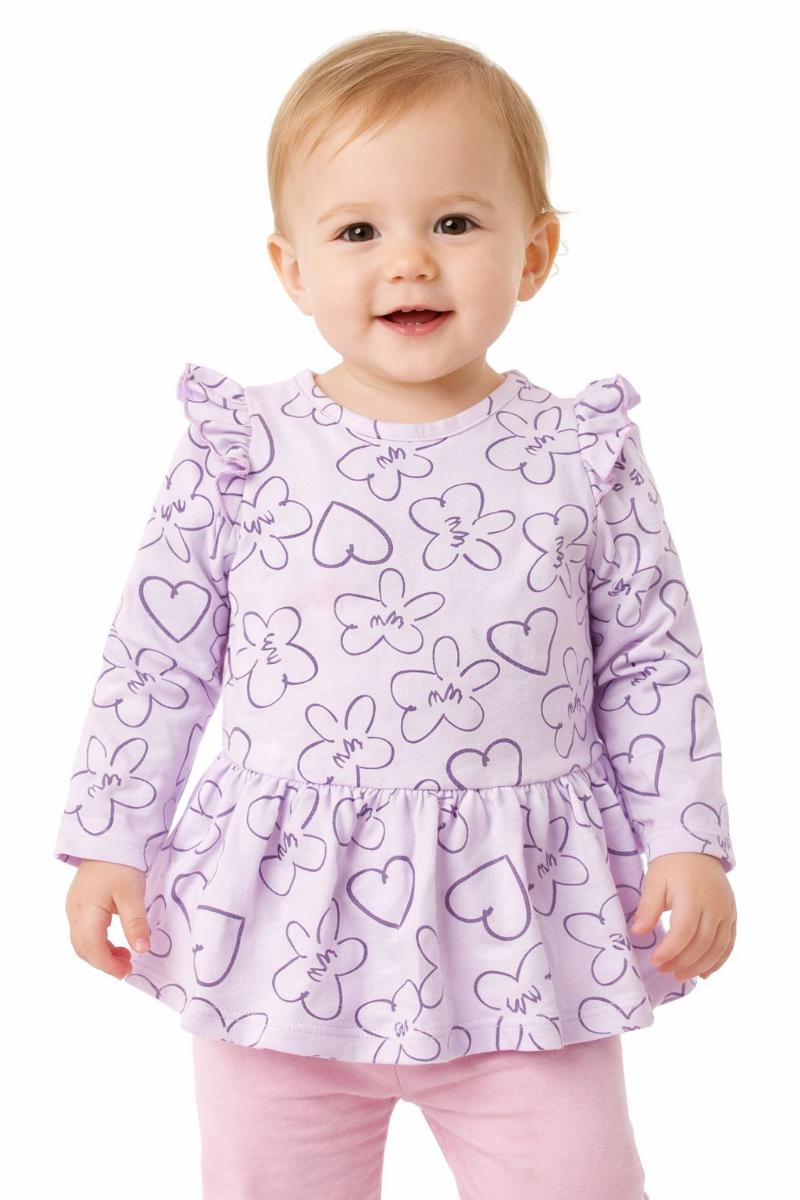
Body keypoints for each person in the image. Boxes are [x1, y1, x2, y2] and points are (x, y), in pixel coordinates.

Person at [54, 28, 737, 1200]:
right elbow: (158, 659)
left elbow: (648, 661)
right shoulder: (242, 449)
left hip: (527, 938)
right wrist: (113, 836)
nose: (409, 263)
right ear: (291, 269)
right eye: (357, 232)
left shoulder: (578, 455)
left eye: (454, 223)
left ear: (534, 252)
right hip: (278, 934)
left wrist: (684, 835)